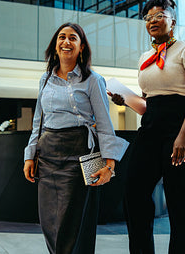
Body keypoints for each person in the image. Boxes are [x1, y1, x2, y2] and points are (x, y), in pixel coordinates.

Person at [110, 0, 185, 253]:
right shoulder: (146, 57)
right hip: (151, 125)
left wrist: (184, 135)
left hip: (182, 123)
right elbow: (147, 103)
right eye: (148, 18)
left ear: (172, 21)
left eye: (159, 15)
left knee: (180, 198)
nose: (153, 21)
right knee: (133, 190)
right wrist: (126, 101)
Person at [23, 22, 129, 254]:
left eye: (73, 38)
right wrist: (29, 155)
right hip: (48, 154)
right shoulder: (45, 79)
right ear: (55, 45)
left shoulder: (93, 80)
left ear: (81, 48)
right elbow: (38, 121)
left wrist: (110, 164)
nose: (66, 42)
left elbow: (103, 124)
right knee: (49, 222)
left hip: (78, 152)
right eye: (62, 37)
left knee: (70, 223)